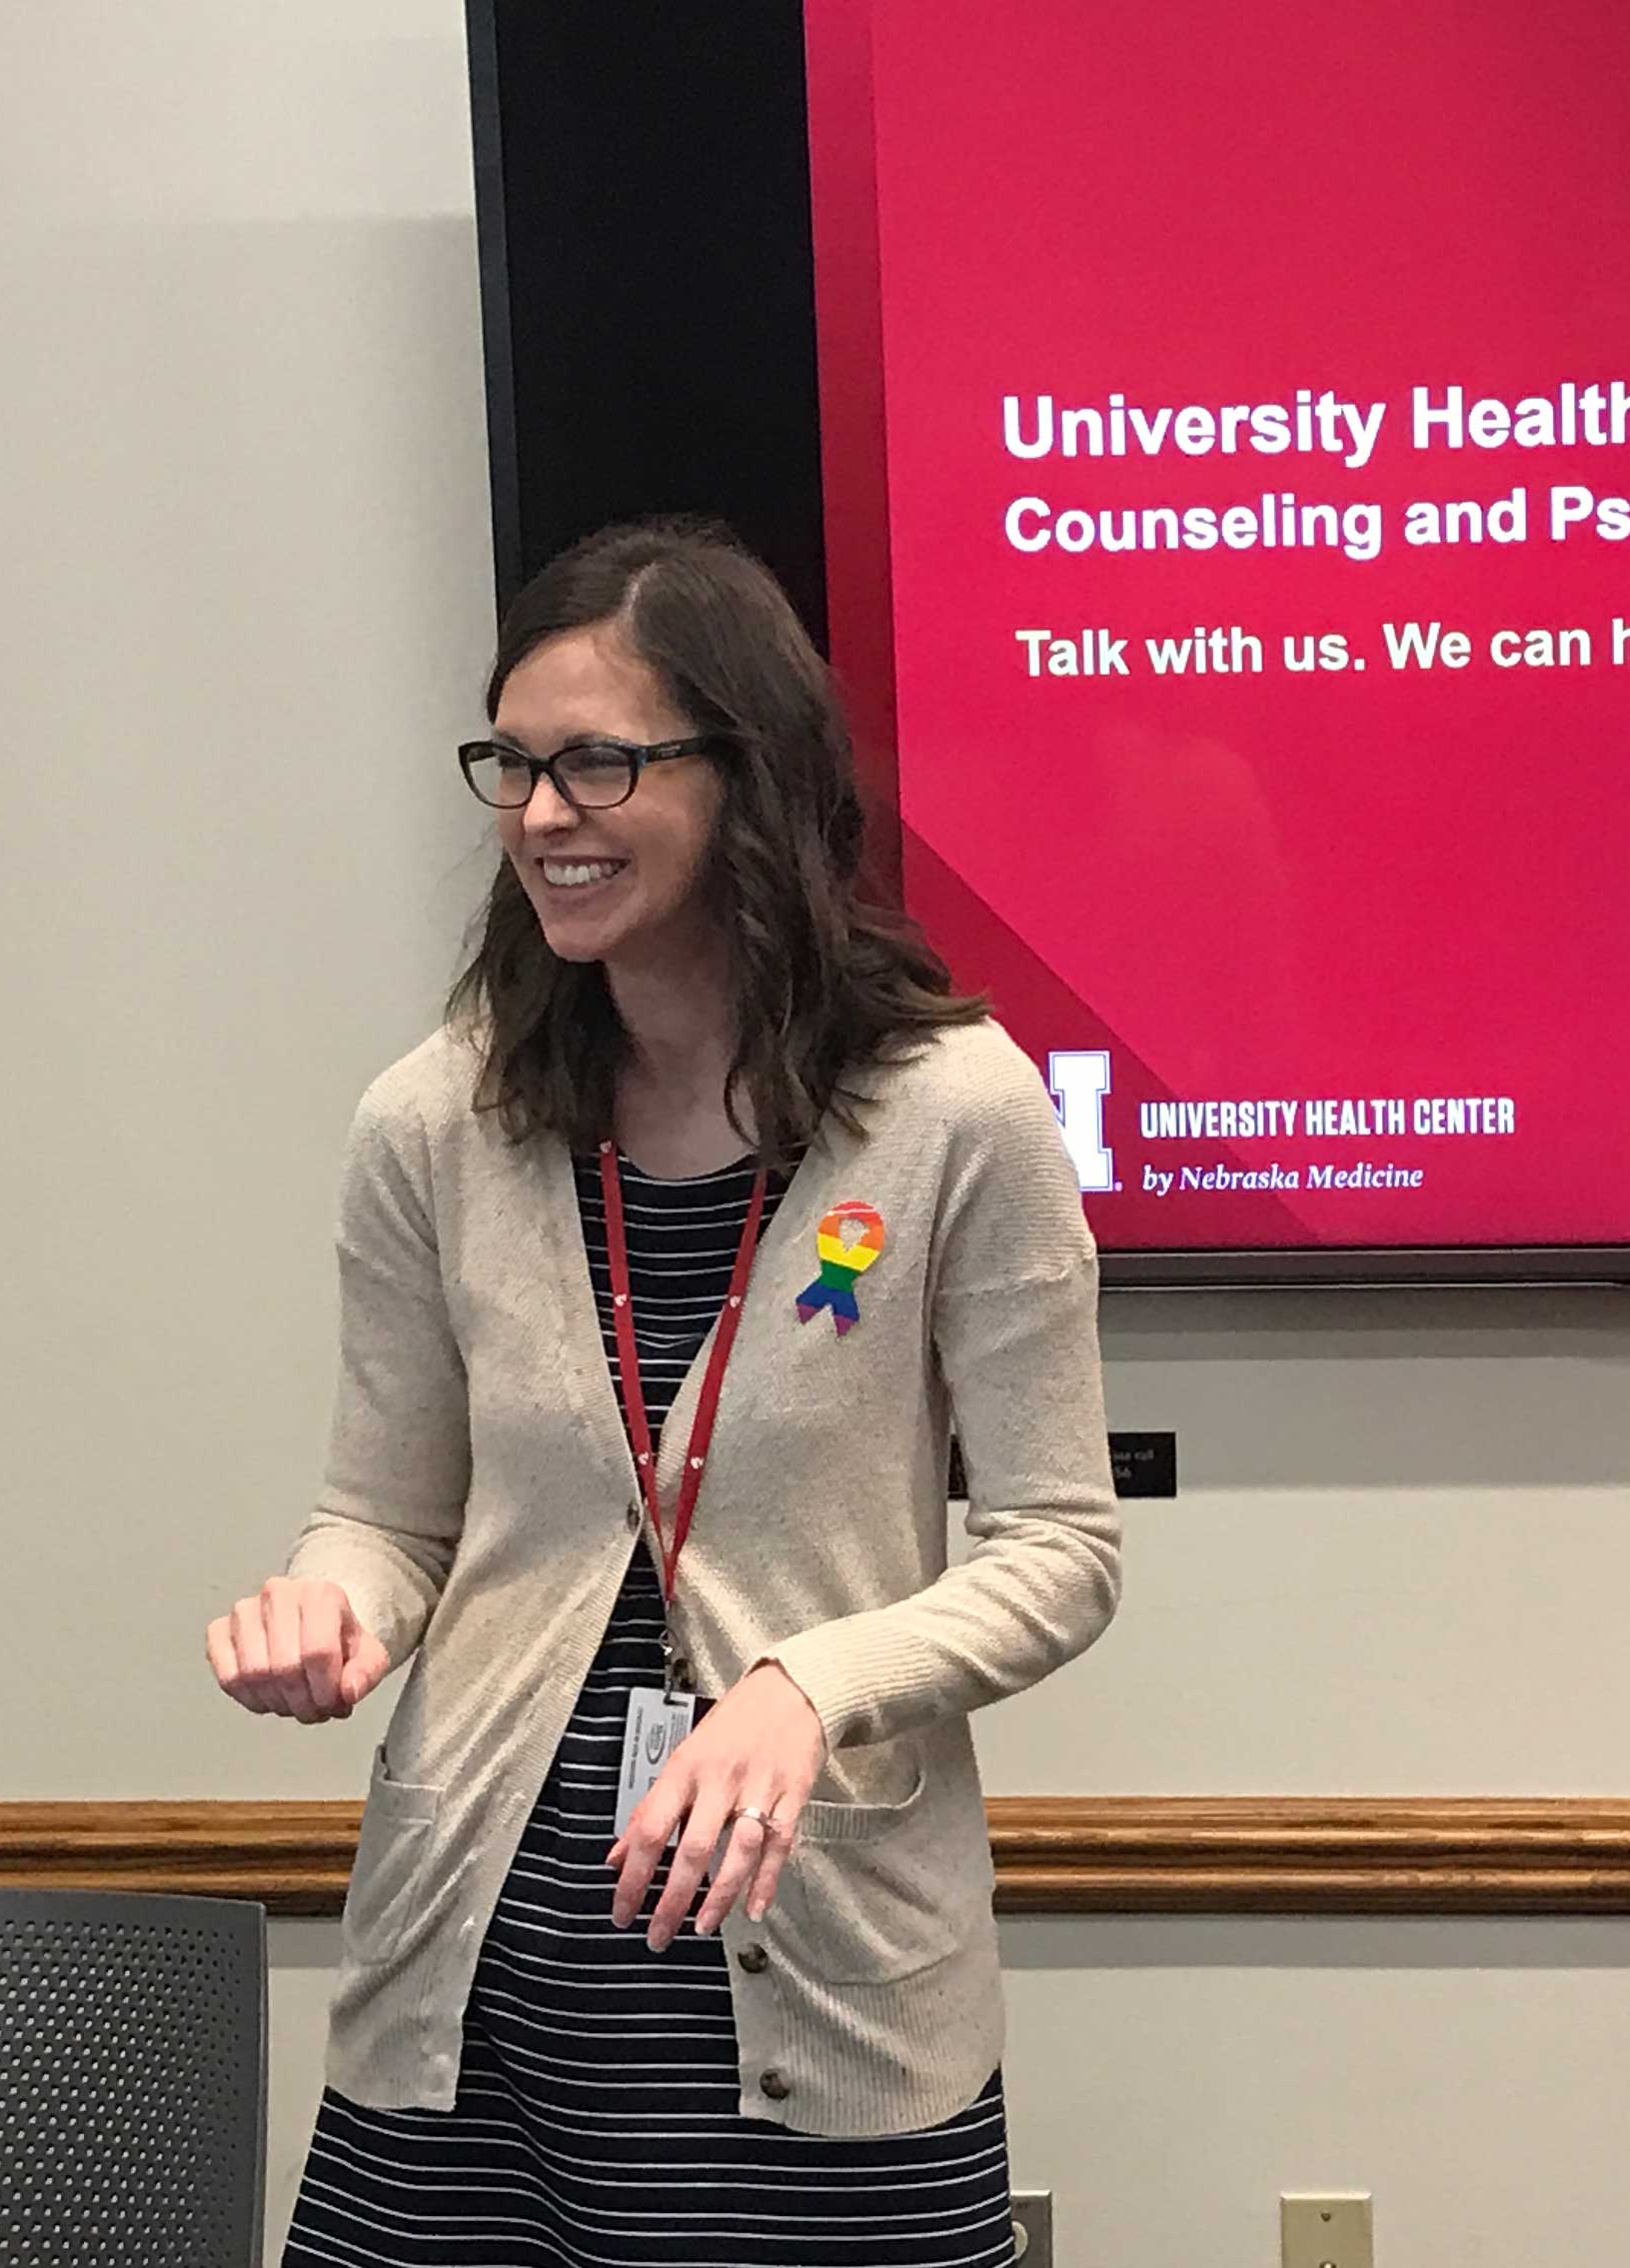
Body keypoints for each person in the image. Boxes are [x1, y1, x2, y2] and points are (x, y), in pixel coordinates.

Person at [206, 518, 1121, 2266]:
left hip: (824, 1975)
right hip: (476, 1990)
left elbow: (1059, 1546)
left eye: (602, 763)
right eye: (516, 765)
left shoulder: (954, 1115)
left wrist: (808, 1683)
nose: (546, 814)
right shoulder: (435, 1121)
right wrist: (327, 1605)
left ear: (749, 775)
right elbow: (389, 1513)